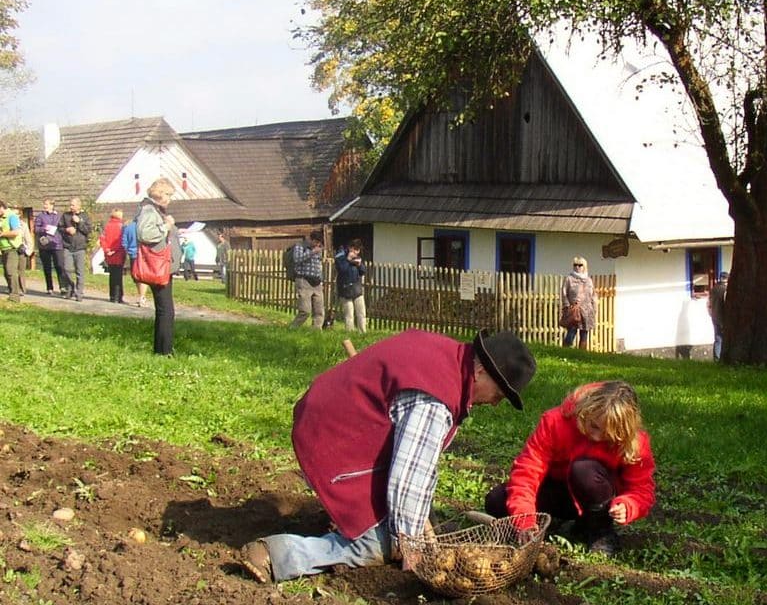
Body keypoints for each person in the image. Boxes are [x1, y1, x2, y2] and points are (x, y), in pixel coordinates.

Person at [239, 328, 537, 583]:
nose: (496, 404)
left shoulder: (447, 356)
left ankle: (355, 517)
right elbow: (407, 478)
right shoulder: (436, 400)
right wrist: (412, 549)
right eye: (499, 394)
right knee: (377, 544)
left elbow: (419, 462)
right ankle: (278, 555)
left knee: (408, 518)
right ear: (481, 371)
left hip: (332, 420)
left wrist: (422, 524)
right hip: (332, 443)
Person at [483, 380, 656, 557]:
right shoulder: (555, 422)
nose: (596, 437)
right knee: (496, 501)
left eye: (608, 434)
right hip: (556, 491)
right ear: (585, 410)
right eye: (594, 426)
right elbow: (527, 471)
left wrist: (629, 505)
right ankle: (547, 523)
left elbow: (642, 489)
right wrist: (524, 519)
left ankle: (599, 530)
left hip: (597, 497)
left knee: (584, 471)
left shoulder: (635, 443)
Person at [136, 179, 181, 355]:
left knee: (165, 310)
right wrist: (166, 226)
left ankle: (162, 349)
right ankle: (164, 351)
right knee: (166, 311)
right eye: (168, 194)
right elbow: (144, 233)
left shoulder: (155, 210)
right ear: (159, 193)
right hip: (158, 265)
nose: (169, 199)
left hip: (163, 265)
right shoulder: (149, 210)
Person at [290, 231, 325, 329]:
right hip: (303, 280)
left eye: (319, 242)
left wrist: (322, 280)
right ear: (310, 239)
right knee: (305, 310)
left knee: (319, 310)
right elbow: (297, 259)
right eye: (316, 242)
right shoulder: (300, 246)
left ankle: (316, 331)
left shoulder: (319, 249)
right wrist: (311, 252)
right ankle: (293, 328)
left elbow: (319, 265)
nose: (318, 244)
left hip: (317, 282)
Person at [59, 197, 91, 302]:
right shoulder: (65, 216)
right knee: (67, 269)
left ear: (78, 205)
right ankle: (70, 287)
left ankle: (79, 293)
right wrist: (67, 230)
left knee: (80, 271)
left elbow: (87, 230)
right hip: (68, 246)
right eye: (70, 205)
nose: (71, 207)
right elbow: (59, 228)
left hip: (80, 247)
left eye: (73, 205)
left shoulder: (85, 216)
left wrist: (80, 222)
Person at [561, 256, 596, 349]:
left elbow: (593, 295)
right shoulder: (569, 279)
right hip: (574, 309)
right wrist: (567, 306)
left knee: (584, 333)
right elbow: (564, 293)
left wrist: (594, 308)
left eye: (580, 265)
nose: (577, 267)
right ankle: (565, 351)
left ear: (584, 266)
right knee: (571, 332)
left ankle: (581, 354)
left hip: (586, 310)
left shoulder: (588, 280)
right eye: (575, 265)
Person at [34, 199, 68, 296]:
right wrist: (43, 228)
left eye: (47, 204)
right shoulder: (41, 216)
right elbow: (36, 229)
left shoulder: (59, 216)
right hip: (44, 245)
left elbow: (62, 228)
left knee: (60, 266)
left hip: (57, 244)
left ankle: (63, 287)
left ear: (52, 205)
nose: (45, 206)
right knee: (47, 267)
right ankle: (49, 287)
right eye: (44, 204)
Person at [334, 239, 367, 333]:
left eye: (358, 250)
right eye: (355, 249)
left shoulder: (357, 257)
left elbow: (363, 272)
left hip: (356, 289)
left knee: (361, 313)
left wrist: (360, 265)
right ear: (350, 247)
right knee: (349, 314)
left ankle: (362, 332)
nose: (356, 252)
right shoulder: (340, 256)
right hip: (345, 288)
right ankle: (350, 333)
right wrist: (348, 259)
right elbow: (341, 269)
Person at [99, 208, 126, 304]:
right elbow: (120, 241)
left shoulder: (106, 226)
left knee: (112, 275)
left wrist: (107, 249)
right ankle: (118, 296)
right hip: (118, 253)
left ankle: (112, 295)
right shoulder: (121, 226)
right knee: (118, 276)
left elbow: (102, 239)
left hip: (108, 254)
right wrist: (114, 250)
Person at [0, 200, 24, 302]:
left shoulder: (12, 216)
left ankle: (15, 296)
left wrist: (2, 234)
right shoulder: (1, 218)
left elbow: (15, 232)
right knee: (6, 273)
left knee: (11, 271)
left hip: (12, 248)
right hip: (4, 249)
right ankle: (11, 292)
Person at [122, 218, 149, 307]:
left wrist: (127, 251)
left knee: (136, 276)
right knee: (143, 276)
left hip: (133, 254)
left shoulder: (128, 227)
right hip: (144, 254)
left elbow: (124, 242)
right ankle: (142, 297)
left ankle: (141, 296)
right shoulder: (145, 227)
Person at [708, 271, 729, 361]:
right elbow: (726, 304)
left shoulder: (714, 289)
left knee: (717, 338)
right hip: (723, 317)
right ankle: (723, 358)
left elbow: (708, 304)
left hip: (714, 316)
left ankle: (716, 358)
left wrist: (711, 313)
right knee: (724, 338)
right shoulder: (725, 290)